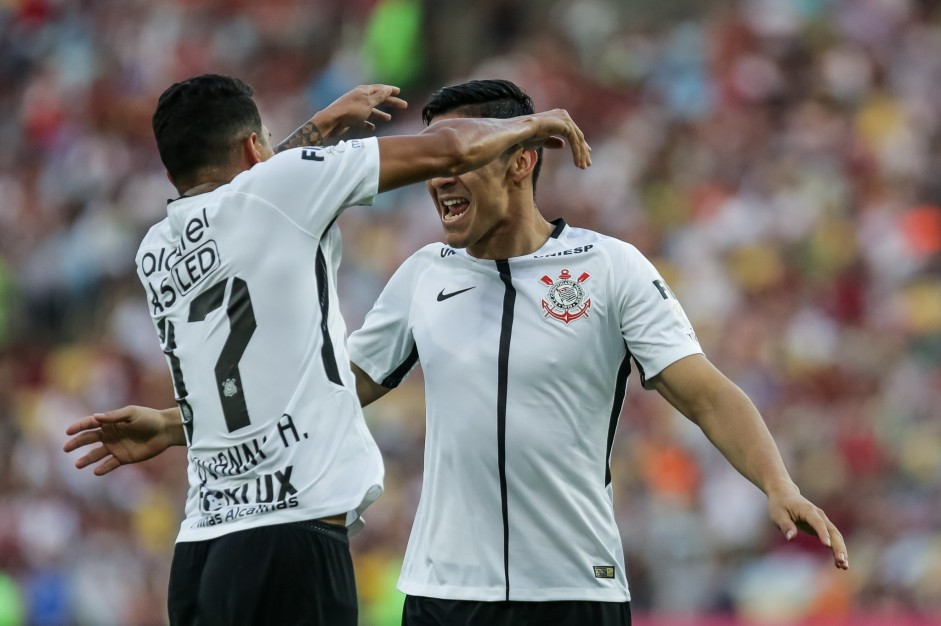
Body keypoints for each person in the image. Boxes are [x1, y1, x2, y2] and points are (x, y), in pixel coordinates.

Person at [66, 79, 848, 626]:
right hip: (440, 592)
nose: (438, 176)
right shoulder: (420, 278)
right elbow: (337, 383)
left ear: (519, 157)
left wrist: (775, 482)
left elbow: (703, 390)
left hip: (573, 587)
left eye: (457, 153)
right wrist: (175, 425)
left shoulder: (608, 269)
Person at [64, 74, 591, 626]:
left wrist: (316, 128)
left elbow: (249, 188)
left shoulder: (156, 249)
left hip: (200, 549)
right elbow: (451, 148)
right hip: (291, 538)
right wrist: (534, 124)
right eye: (264, 139)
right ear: (251, 148)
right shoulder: (280, 190)